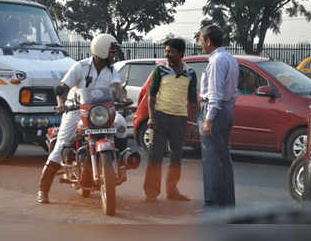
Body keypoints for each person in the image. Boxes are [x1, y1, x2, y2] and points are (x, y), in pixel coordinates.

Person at [36, 33, 128, 204]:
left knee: (121, 124)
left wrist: (121, 98)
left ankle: (121, 161)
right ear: (101, 50)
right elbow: (63, 88)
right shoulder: (81, 67)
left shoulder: (111, 69)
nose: (113, 54)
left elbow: (116, 86)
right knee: (62, 145)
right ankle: (43, 189)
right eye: (111, 51)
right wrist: (61, 103)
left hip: (100, 111)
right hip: (77, 109)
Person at [143, 38, 198, 202]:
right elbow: (151, 96)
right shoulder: (160, 70)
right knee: (155, 155)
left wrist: (194, 122)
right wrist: (151, 117)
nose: (167, 54)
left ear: (181, 53)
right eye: (166, 51)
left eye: (171, 52)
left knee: (176, 156)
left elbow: (193, 100)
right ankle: (151, 192)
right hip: (160, 117)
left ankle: (172, 190)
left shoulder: (190, 73)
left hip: (180, 119)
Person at [197, 24, 239, 209]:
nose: (200, 44)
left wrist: (208, 120)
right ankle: (227, 200)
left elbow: (215, 95)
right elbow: (233, 91)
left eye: (200, 40)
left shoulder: (216, 61)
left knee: (211, 159)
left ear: (208, 41)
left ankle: (212, 201)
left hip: (214, 111)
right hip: (226, 109)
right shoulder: (230, 58)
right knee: (223, 157)